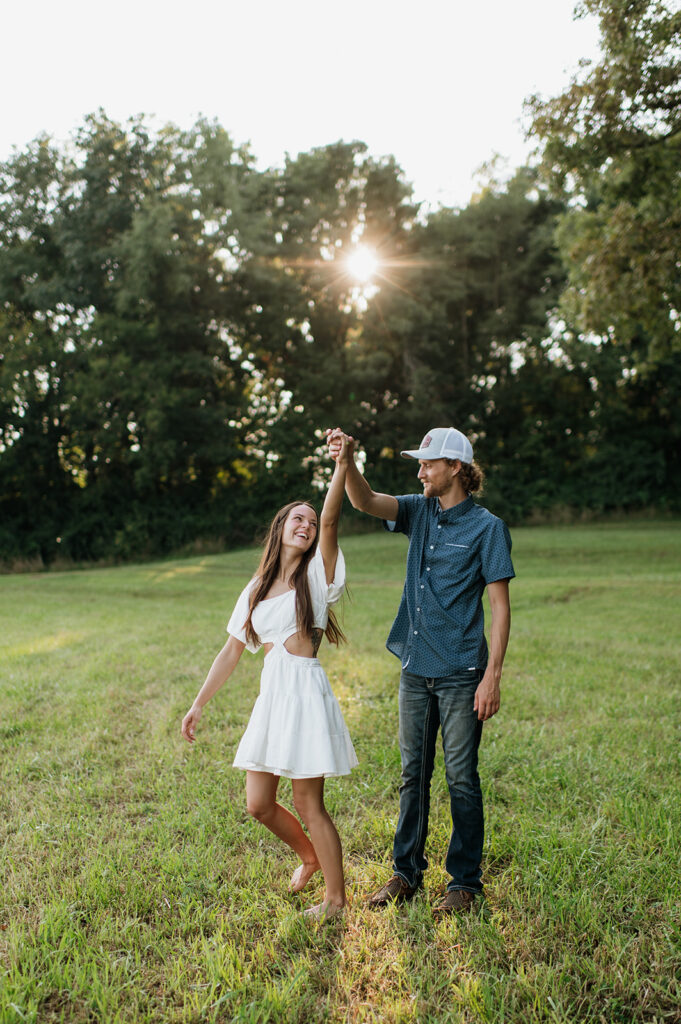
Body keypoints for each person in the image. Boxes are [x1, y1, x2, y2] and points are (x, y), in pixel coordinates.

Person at [327, 425, 514, 916]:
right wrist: (346, 460)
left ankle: (465, 884)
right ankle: (406, 874)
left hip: (461, 673)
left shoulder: (488, 528)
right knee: (414, 775)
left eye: (428, 463)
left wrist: (492, 675)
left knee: (461, 778)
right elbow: (365, 501)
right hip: (415, 669)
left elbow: (499, 607)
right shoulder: (419, 510)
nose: (420, 471)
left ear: (455, 468)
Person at [181, 450, 357, 921]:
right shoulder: (256, 587)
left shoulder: (316, 577)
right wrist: (199, 704)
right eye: (297, 518)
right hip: (272, 698)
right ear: (280, 528)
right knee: (258, 803)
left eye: (311, 522)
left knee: (307, 801)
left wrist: (341, 467)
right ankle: (309, 856)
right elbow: (232, 649)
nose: (307, 525)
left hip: (303, 693)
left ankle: (336, 902)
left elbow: (334, 518)